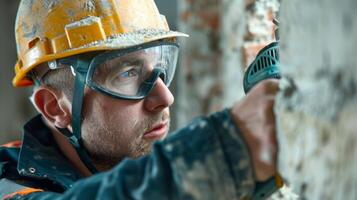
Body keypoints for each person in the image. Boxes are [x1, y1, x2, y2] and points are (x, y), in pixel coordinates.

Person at [0, 0, 280, 199]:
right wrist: (230, 147)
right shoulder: (7, 183)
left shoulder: (134, 163)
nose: (164, 97)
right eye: (127, 73)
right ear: (56, 108)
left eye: (160, 67)